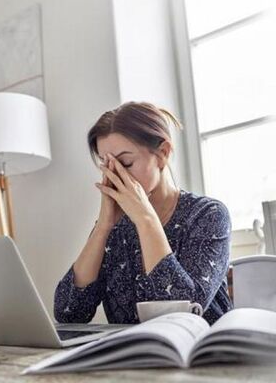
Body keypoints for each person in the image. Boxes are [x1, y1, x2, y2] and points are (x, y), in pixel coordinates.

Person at [54, 101, 232, 325]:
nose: (115, 176)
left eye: (125, 163)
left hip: (201, 354)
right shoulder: (114, 227)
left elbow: (184, 311)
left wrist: (146, 219)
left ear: (162, 153)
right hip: (132, 356)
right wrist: (102, 227)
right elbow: (69, 313)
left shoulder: (209, 215)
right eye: (107, 166)